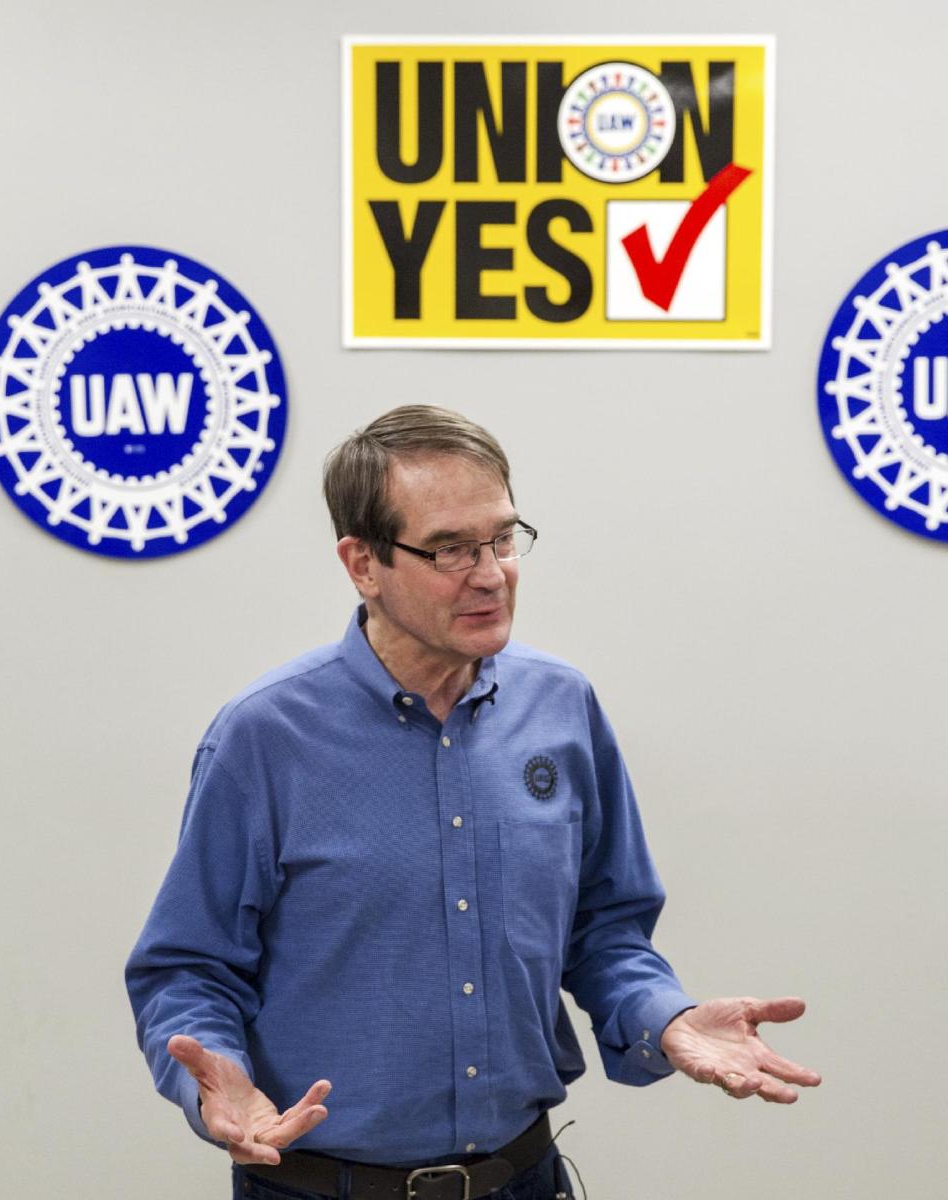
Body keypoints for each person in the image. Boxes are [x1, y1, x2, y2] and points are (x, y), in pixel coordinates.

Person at [126, 406, 820, 1200]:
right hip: (322, 1188)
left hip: (522, 1178)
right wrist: (217, 1081)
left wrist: (665, 1016)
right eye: (451, 549)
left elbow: (604, 931)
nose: (490, 572)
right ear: (362, 564)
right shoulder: (264, 738)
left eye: (501, 538)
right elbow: (188, 967)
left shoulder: (562, 709)